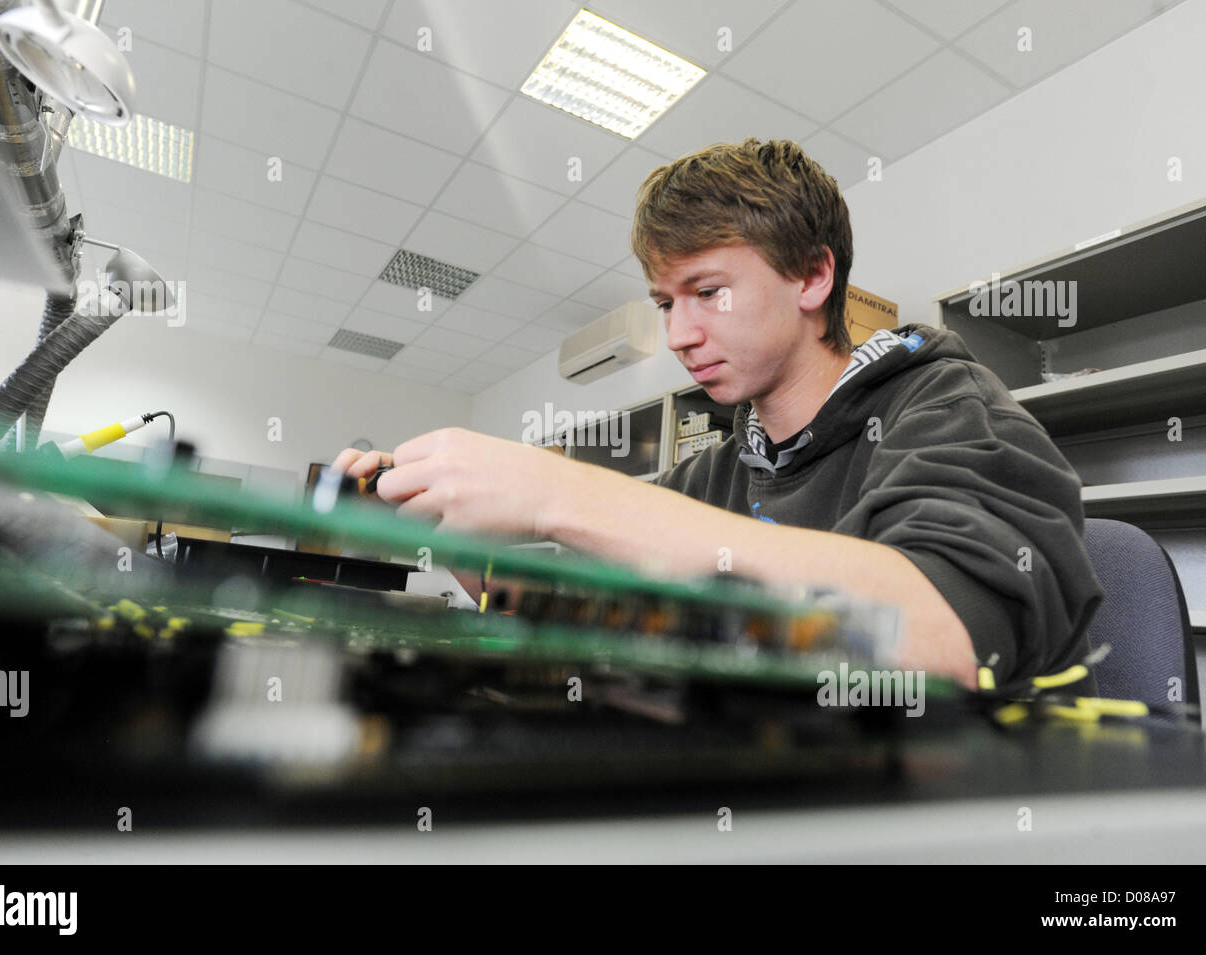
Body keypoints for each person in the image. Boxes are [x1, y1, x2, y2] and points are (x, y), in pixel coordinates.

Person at [333, 138, 1102, 692]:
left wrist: (558, 491)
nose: (677, 334)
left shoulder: (948, 409)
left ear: (812, 275)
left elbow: (943, 639)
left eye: (708, 292)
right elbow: (588, 615)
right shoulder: (720, 470)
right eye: (666, 303)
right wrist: (453, 536)